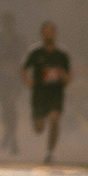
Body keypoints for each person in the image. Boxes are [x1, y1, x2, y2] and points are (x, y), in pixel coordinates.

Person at [22, 21, 70, 163]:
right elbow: (24, 68)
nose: (48, 35)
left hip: (55, 93)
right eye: (46, 32)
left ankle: (50, 152)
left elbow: (68, 72)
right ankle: (38, 122)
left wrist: (66, 79)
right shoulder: (35, 53)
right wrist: (28, 81)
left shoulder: (61, 54)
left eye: (51, 32)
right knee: (39, 128)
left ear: (55, 34)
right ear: (42, 34)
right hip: (39, 93)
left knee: (55, 119)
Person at [0, 13, 24, 156]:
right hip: (2, 77)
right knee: (5, 108)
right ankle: (9, 133)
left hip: (14, 77)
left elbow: (26, 57)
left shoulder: (18, 39)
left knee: (11, 105)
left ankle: (12, 138)